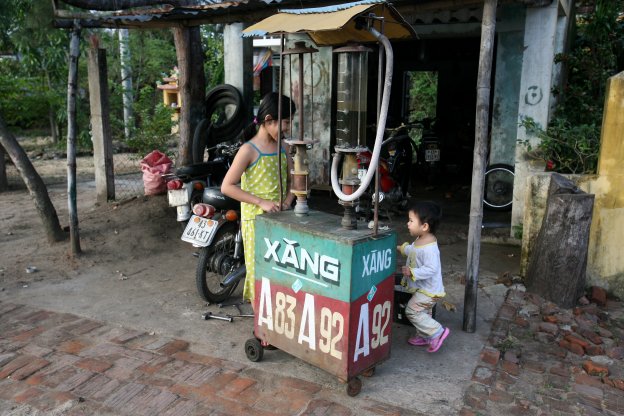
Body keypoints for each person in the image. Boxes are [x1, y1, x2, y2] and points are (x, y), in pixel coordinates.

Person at [221, 92, 296, 310]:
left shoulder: (285, 148)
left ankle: (278, 324)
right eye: (286, 122)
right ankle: (261, 327)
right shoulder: (248, 150)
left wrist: (288, 200)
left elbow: (295, 181)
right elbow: (227, 186)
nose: (288, 128)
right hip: (256, 222)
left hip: (283, 218)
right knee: (259, 271)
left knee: (281, 271)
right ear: (268, 120)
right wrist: (261, 202)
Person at [397, 201, 449, 353]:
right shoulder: (421, 240)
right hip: (424, 289)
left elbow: (431, 269)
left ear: (424, 226)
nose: (408, 223)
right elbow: (412, 251)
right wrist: (400, 248)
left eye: (411, 221)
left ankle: (436, 332)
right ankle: (424, 336)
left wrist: (413, 272)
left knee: (412, 311)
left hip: (429, 291)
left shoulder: (430, 248)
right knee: (424, 312)